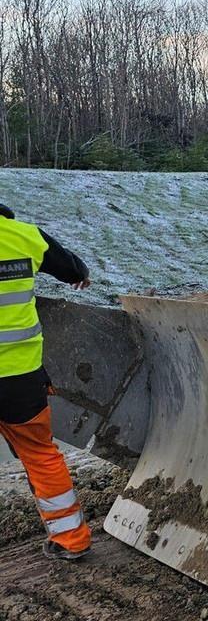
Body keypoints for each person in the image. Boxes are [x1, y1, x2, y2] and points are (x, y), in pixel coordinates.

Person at [0, 204, 92, 559]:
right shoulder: (24, 236)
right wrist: (78, 276)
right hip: (21, 379)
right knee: (40, 455)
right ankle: (72, 540)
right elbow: (72, 267)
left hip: (22, 377)